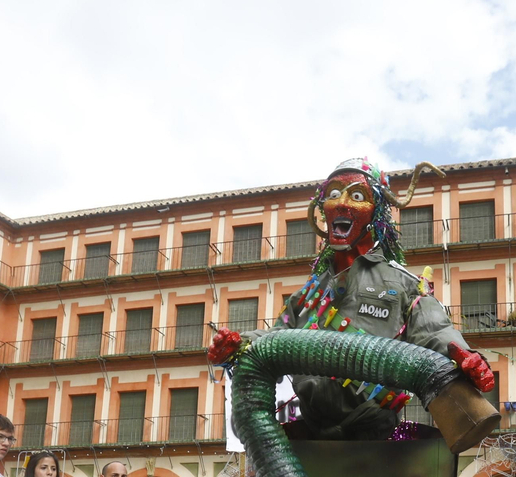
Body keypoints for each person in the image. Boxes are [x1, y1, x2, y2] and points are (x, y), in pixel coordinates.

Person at [207, 158, 495, 440]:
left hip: (378, 440)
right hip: (310, 441)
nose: (342, 203)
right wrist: (239, 344)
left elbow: (436, 333)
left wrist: (467, 357)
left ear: (377, 210)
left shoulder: (406, 285)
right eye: (333, 194)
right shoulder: (304, 298)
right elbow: (274, 340)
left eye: (357, 195)